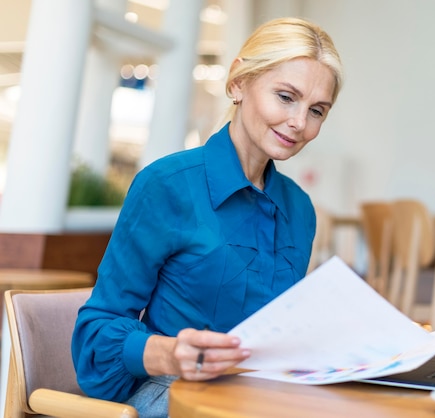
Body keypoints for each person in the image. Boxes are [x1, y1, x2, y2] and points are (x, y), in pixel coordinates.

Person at [72, 16, 344, 418]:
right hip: (177, 396)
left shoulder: (299, 208)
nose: (299, 123)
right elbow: (94, 335)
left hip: (263, 397)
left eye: (317, 110)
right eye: (286, 97)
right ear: (238, 82)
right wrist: (168, 353)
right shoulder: (166, 185)